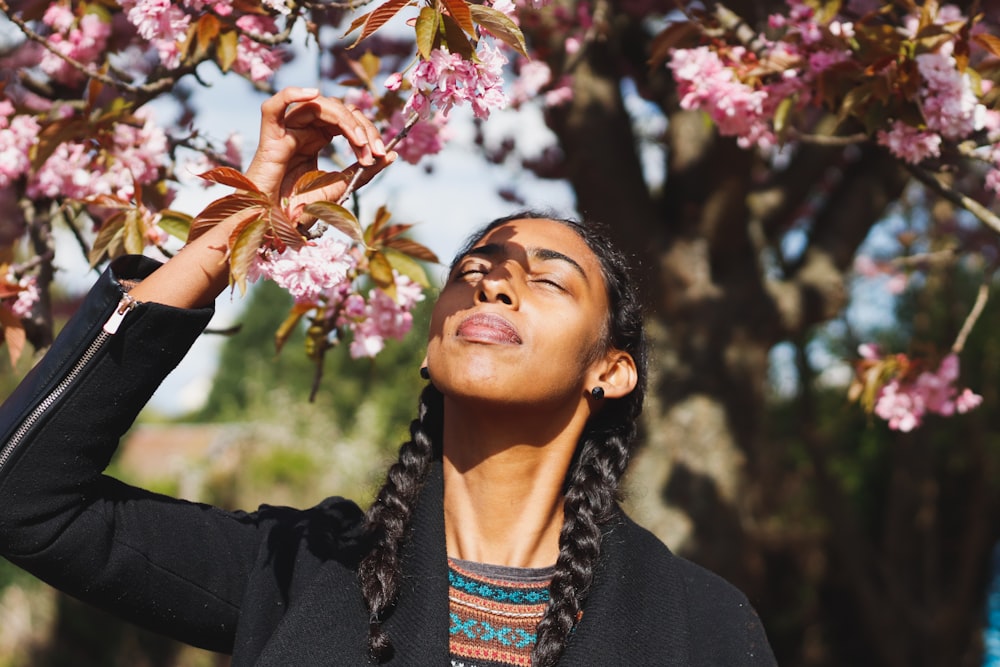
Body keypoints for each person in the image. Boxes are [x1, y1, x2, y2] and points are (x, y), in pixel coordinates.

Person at [0, 88, 776, 666]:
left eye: (547, 281)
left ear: (610, 371)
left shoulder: (703, 624)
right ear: (428, 349)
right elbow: (26, 499)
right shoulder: (303, 569)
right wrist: (240, 226)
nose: (493, 286)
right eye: (473, 272)